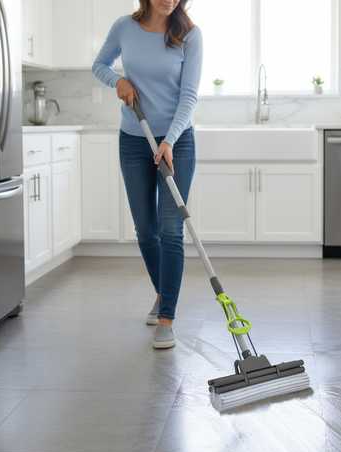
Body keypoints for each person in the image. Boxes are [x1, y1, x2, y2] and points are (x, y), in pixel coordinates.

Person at [92, 0, 203, 349]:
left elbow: (189, 96)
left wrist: (169, 140)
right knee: (145, 230)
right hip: (134, 141)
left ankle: (166, 317)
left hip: (176, 143)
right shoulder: (124, 27)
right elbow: (99, 65)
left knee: (171, 230)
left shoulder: (190, 35)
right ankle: (162, 292)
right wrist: (118, 80)